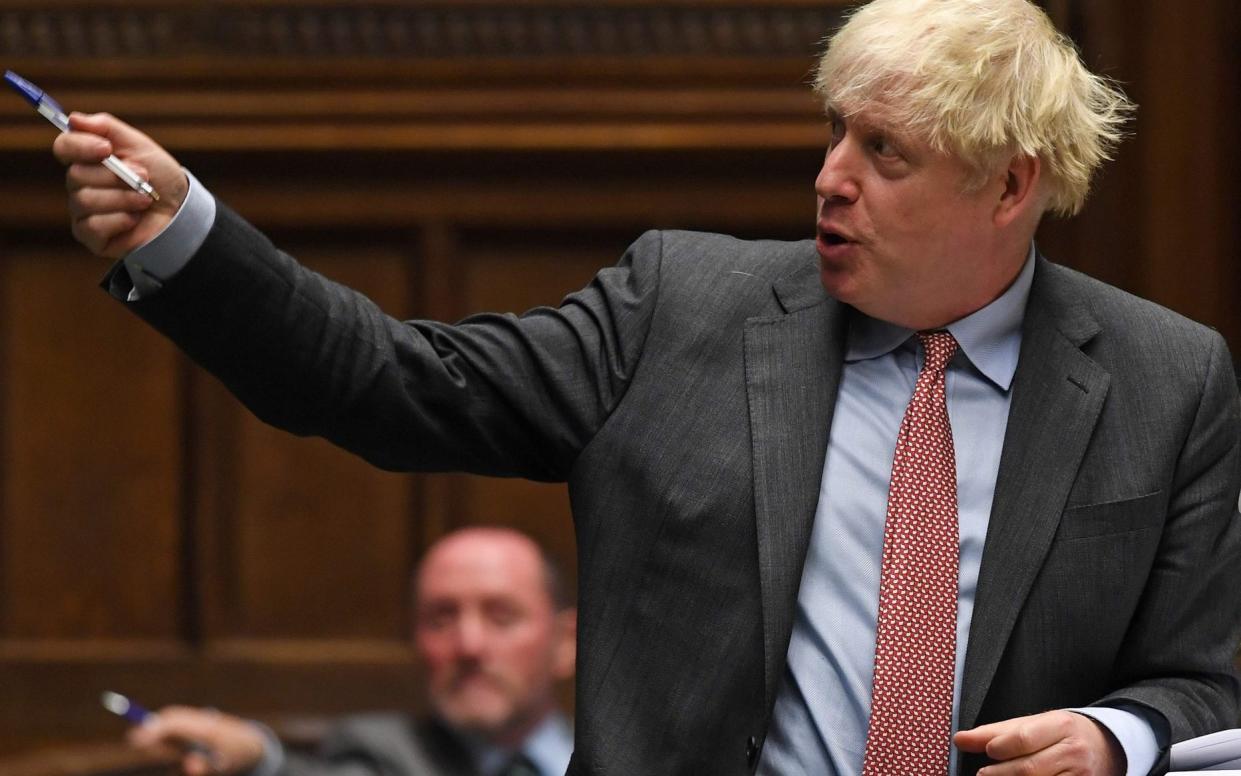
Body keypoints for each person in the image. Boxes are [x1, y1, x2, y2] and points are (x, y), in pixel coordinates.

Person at [51, 0, 1241, 773]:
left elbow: (1206, 682)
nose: (828, 179)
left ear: (1007, 186)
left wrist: (1113, 733)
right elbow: (387, 382)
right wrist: (184, 235)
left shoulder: (1162, 379)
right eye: (832, 133)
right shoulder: (681, 307)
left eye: (884, 153)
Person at [126, 527, 576, 776]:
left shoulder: (632, 756)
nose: (469, 645)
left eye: (501, 618)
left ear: (565, 643)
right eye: (441, 619)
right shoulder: (383, 754)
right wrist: (255, 757)